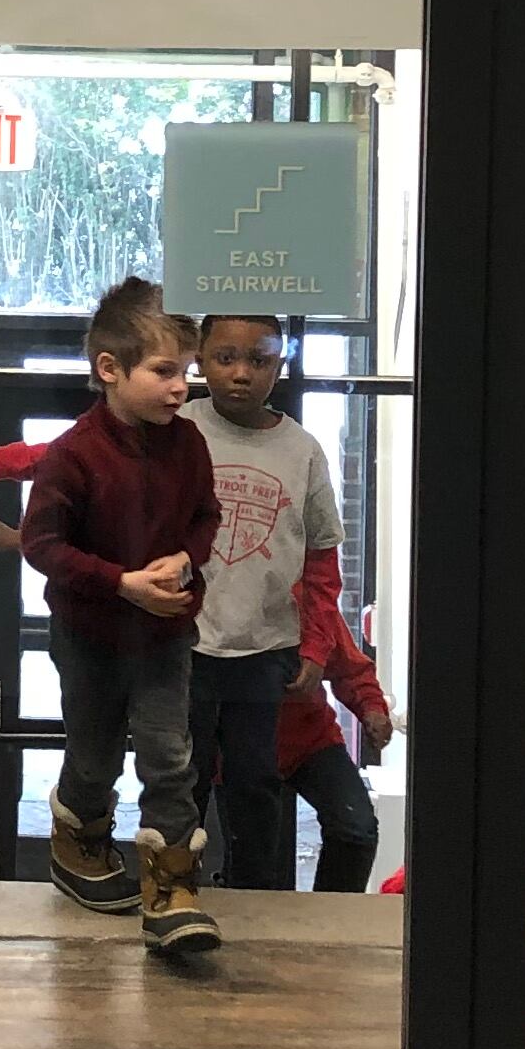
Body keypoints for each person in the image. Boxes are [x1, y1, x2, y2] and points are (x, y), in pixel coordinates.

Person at [17, 276, 223, 958]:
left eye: (185, 373)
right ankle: (79, 836)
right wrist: (122, 583)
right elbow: (42, 545)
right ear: (110, 369)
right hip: (90, 637)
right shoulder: (72, 455)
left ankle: (171, 888)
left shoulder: (189, 445)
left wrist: (186, 564)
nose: (181, 387)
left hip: (166, 633)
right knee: (96, 750)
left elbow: (205, 518)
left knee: (170, 756)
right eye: (165, 371)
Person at [184, 315, 346, 893]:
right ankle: (172, 891)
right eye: (226, 357)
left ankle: (258, 899)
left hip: (264, 650)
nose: (241, 374)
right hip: (183, 645)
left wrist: (318, 646)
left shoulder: (301, 450)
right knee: (182, 778)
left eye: (259, 360)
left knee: (255, 782)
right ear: (198, 358)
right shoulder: (176, 424)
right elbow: (81, 463)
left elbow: (323, 560)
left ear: (281, 365)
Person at [280, 545, 392, 892]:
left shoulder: (302, 597)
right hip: (235, 748)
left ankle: (329, 919)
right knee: (262, 867)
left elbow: (348, 665)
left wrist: (372, 708)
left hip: (310, 739)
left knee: (356, 831)